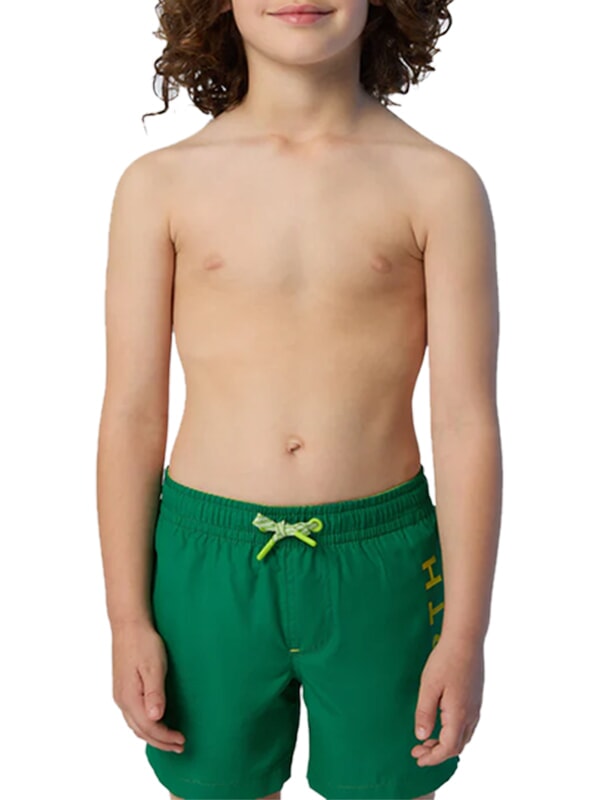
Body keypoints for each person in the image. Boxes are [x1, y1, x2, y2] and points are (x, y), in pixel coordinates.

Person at [96, 0, 502, 797]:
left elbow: (465, 423)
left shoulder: (438, 185)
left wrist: (466, 633)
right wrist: (126, 618)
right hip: (206, 561)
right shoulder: (160, 185)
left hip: (381, 561)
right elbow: (131, 413)